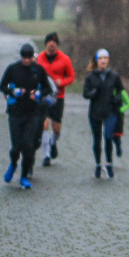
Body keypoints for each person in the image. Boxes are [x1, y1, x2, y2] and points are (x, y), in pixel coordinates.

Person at [0, 43, 49, 190]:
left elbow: (47, 88)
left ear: (32, 57)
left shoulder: (38, 70)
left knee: (28, 146)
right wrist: (13, 92)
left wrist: (39, 94)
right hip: (15, 113)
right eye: (23, 57)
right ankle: (13, 164)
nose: (26, 60)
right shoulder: (13, 69)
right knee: (16, 147)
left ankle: (24, 176)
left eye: (28, 58)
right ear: (20, 56)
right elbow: (2, 86)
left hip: (32, 113)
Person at [83, 48, 125, 179]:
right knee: (97, 139)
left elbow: (121, 90)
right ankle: (97, 164)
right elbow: (85, 93)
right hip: (95, 112)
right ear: (97, 61)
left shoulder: (114, 76)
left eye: (105, 59)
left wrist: (117, 98)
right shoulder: (91, 76)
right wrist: (93, 93)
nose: (103, 61)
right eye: (100, 59)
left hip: (110, 111)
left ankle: (109, 163)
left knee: (108, 137)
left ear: (108, 60)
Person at [37, 32, 76, 166]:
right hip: (44, 96)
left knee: (56, 127)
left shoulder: (65, 59)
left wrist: (62, 82)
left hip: (58, 96)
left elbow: (71, 77)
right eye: (49, 42)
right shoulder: (40, 58)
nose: (51, 44)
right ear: (46, 43)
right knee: (44, 124)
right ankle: (46, 155)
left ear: (57, 45)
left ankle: (53, 143)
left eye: (54, 42)